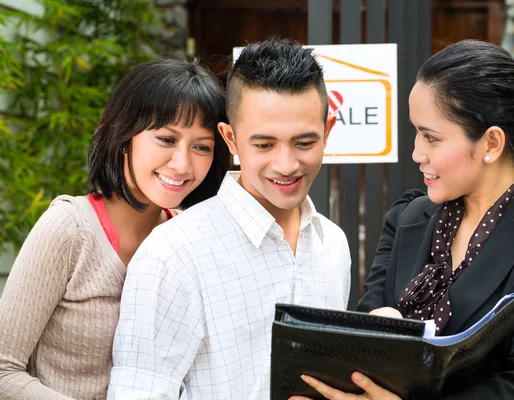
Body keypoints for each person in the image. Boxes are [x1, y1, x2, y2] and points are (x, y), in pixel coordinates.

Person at [292, 40, 514, 400]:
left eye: (431, 138)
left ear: (491, 144)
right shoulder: (408, 218)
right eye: (416, 133)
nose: (416, 153)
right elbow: (361, 352)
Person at [107, 38, 351, 399]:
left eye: (304, 143)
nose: (286, 165)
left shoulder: (333, 244)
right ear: (231, 139)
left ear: (327, 131)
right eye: (264, 145)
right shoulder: (173, 252)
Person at [0, 58, 229, 400]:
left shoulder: (187, 240)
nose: (183, 164)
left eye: (201, 146)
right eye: (166, 139)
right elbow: (4, 370)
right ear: (125, 136)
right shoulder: (69, 229)